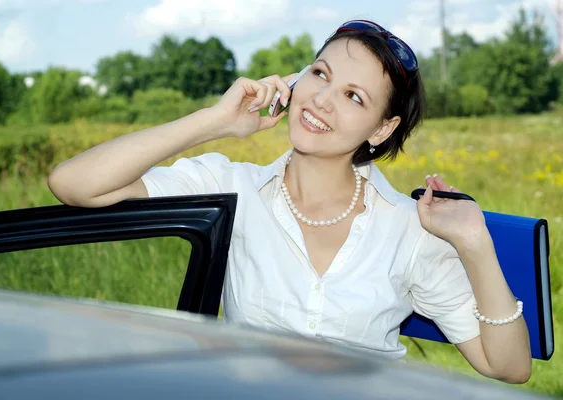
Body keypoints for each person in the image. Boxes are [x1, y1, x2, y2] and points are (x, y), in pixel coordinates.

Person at [47, 19, 532, 383]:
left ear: (383, 129)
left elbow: (508, 367)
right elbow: (74, 183)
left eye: (354, 97)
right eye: (320, 73)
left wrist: (474, 242)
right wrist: (215, 122)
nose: (321, 99)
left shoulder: (409, 228)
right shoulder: (231, 187)